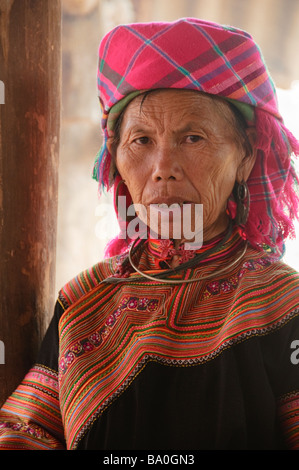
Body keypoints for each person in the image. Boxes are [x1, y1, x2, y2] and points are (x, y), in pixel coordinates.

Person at [0, 17, 299, 451]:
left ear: (246, 159)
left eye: (192, 138)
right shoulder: (83, 300)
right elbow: (24, 433)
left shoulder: (282, 302)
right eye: (141, 141)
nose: (162, 167)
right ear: (117, 159)